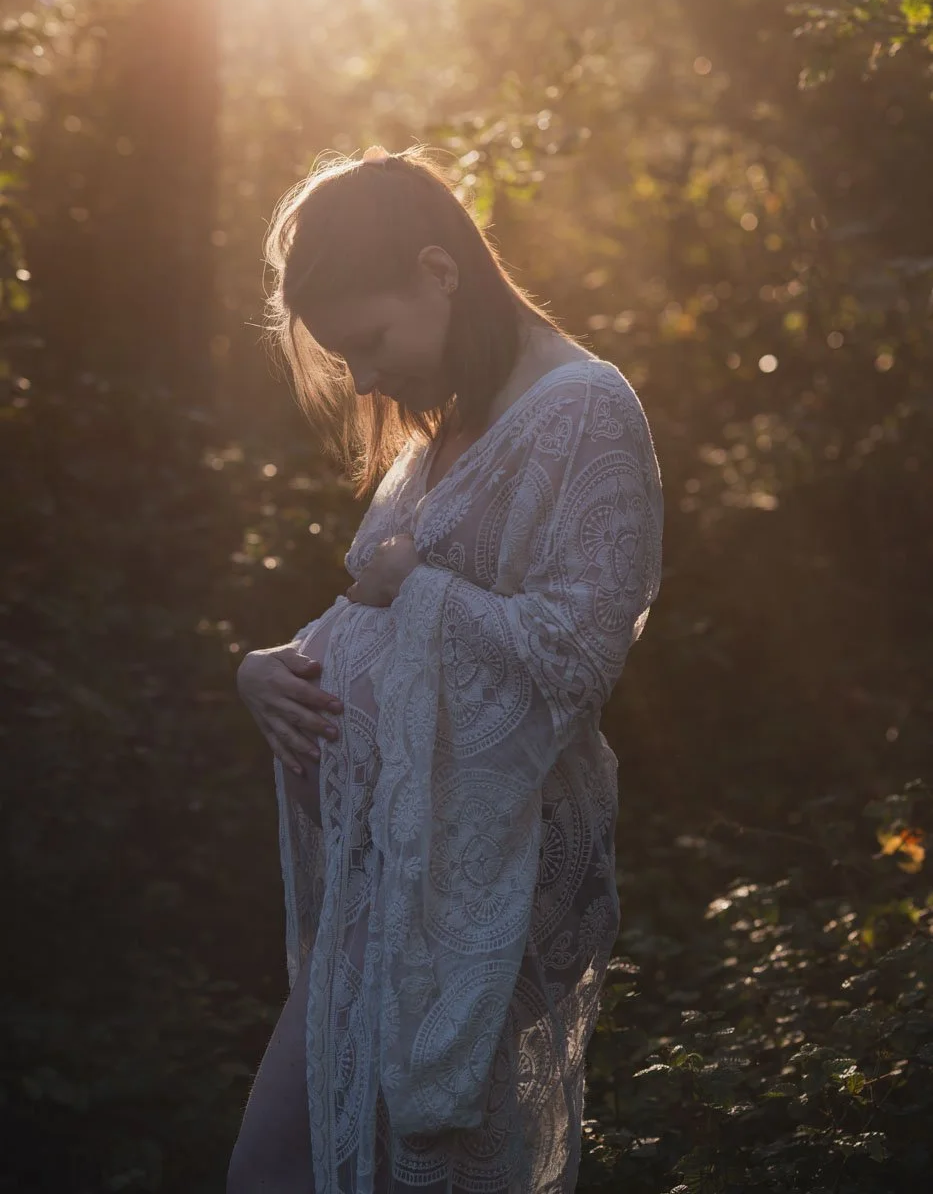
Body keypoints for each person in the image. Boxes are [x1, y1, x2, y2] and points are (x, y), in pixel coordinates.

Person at [228, 145, 664, 1194]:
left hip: (477, 902)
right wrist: (272, 667)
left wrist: (417, 583)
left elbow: (579, 648)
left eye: (368, 342)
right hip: (380, 887)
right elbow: (371, 604)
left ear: (440, 268)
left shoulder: (584, 411)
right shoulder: (448, 425)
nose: (366, 379)